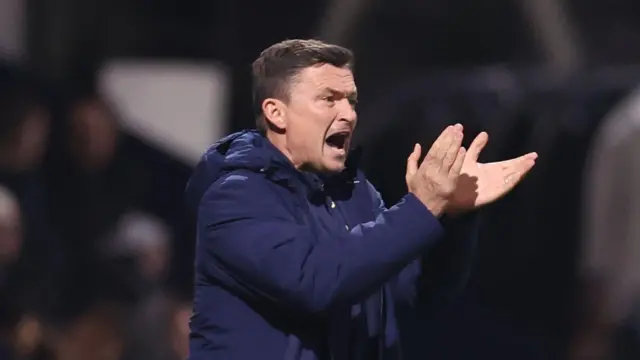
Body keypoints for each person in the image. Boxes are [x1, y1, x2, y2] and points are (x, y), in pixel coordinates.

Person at [186, 39, 537, 360]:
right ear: (277, 113)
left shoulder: (355, 193)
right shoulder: (234, 197)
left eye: (351, 100)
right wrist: (420, 208)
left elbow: (410, 293)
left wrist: (449, 217)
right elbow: (315, 282)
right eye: (328, 99)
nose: (349, 114)